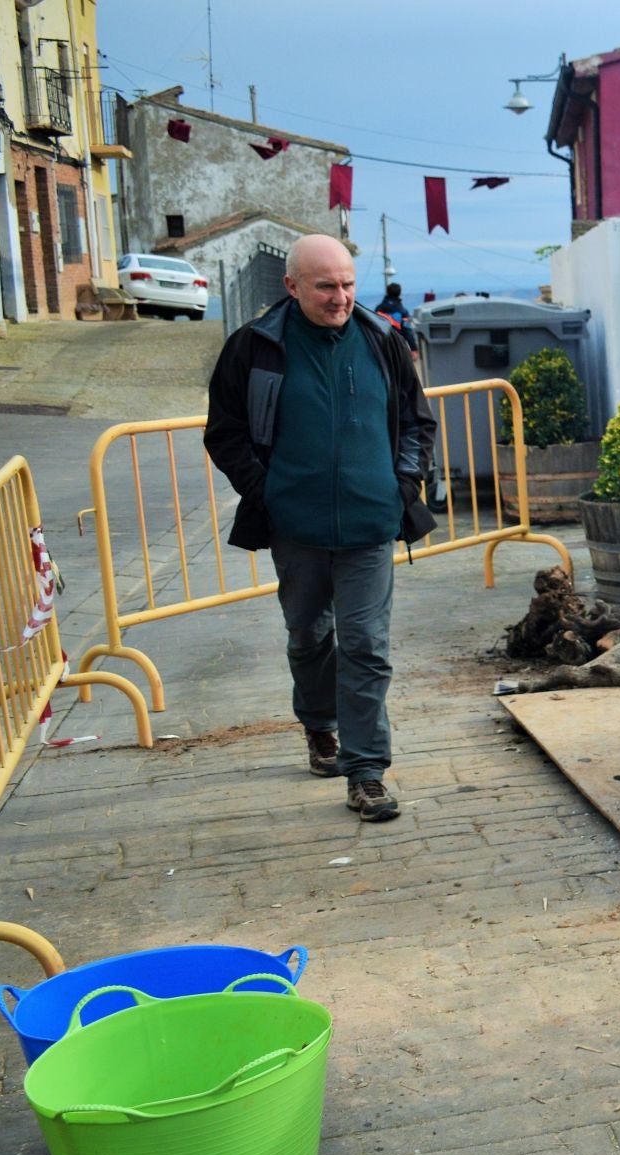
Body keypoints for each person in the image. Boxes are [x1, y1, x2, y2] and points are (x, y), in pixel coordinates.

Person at [205, 235, 437, 821]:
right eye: (326, 286)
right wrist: (266, 491)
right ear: (292, 287)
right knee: (309, 636)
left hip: (369, 524)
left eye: (348, 284)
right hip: (295, 526)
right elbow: (224, 432)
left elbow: (417, 423)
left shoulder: (384, 339)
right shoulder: (254, 348)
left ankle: (365, 772)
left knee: (366, 644)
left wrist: (403, 484)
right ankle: (318, 725)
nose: (340, 298)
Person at [374, 280, 416, 352]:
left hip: (380, 345)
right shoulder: (403, 311)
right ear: (399, 294)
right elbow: (408, 330)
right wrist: (414, 348)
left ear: (387, 292)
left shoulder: (378, 310)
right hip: (398, 346)